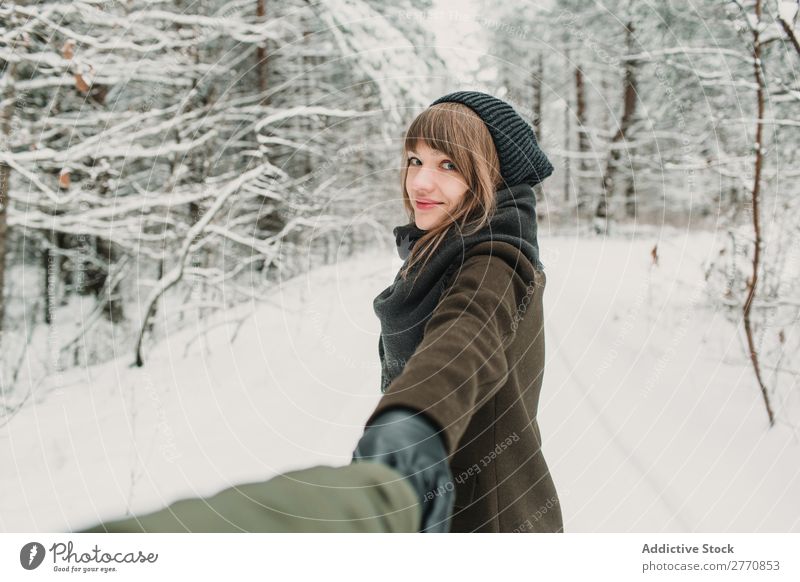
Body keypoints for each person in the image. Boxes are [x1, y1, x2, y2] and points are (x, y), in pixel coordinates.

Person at [351, 91, 564, 533]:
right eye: (415, 160)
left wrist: (409, 426)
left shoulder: (493, 262)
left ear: (490, 177)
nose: (420, 183)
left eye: (448, 165)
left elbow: (466, 338)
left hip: (488, 519)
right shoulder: (445, 248)